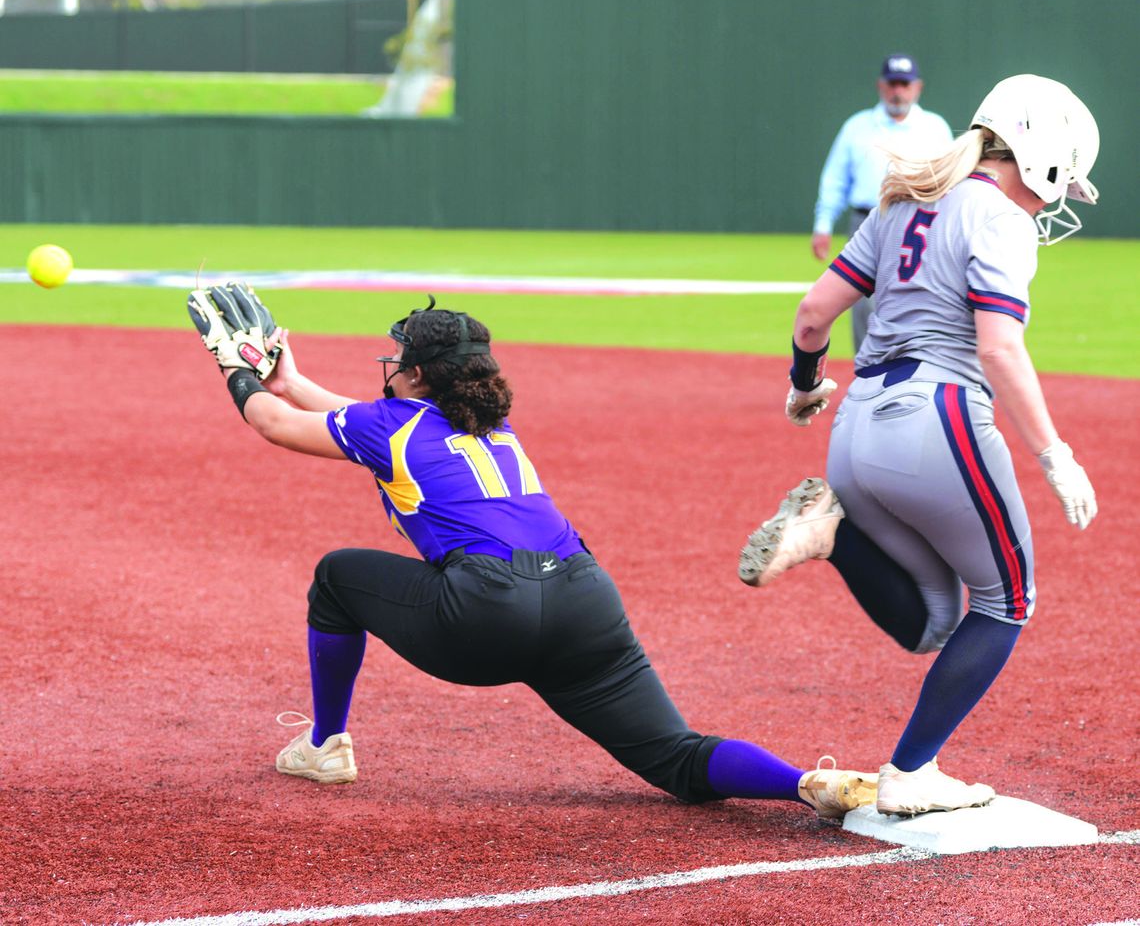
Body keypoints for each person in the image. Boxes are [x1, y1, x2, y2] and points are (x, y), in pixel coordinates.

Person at [188, 287, 876, 820]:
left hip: (485, 614)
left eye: (399, 358)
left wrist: (237, 374)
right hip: (585, 601)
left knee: (337, 577)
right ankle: (805, 782)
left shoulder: (391, 425)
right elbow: (343, 413)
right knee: (677, 759)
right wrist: (286, 377)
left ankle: (325, 746)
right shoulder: (487, 422)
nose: (389, 365)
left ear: (420, 374)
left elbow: (275, 425)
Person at [739, 74, 1100, 816]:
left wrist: (805, 382)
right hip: (937, 417)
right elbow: (999, 350)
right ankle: (912, 771)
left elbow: (814, 313)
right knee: (1009, 600)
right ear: (1040, 159)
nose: (1053, 200)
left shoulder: (902, 201)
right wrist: (1054, 453)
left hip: (854, 430)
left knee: (938, 620)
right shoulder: (1000, 217)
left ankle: (832, 534)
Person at [811, 53, 954, 353]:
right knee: (862, 298)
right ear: (880, 85)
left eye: (904, 84)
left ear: (917, 87)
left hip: (920, 220)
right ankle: (867, 369)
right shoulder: (857, 126)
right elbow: (835, 178)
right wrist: (823, 224)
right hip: (867, 219)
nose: (897, 91)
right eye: (892, 84)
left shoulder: (934, 128)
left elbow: (950, 180)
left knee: (920, 294)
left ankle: (912, 362)